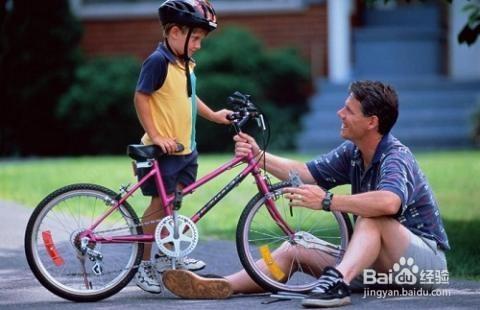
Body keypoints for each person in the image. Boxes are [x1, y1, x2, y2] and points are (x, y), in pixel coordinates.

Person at [161, 80, 450, 308]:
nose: (340, 113)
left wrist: (327, 201)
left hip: (422, 269)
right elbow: (307, 173)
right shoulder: (353, 152)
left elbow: (389, 201)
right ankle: (224, 285)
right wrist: (259, 155)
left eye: (348, 110)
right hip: (374, 268)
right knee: (293, 248)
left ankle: (337, 284)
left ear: (372, 121)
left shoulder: (395, 156)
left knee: (372, 217)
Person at [133, 0, 231, 294]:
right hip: (162, 152)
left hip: (185, 151)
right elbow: (141, 97)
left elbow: (190, 97)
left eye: (201, 39)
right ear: (175, 32)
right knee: (158, 207)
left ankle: (167, 256)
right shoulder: (158, 61)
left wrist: (214, 115)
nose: (199, 45)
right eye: (196, 38)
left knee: (175, 205)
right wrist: (156, 134)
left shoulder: (184, 64)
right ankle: (144, 265)